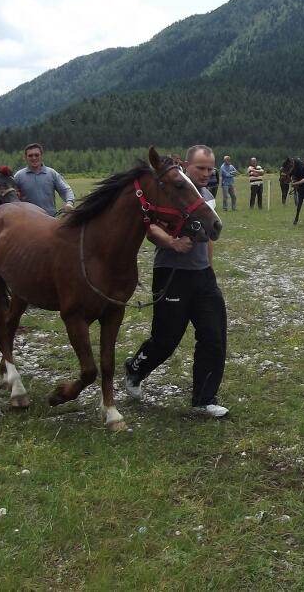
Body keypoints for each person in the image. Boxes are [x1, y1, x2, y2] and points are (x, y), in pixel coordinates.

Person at [124, 144, 229, 418]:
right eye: (201, 168)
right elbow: (150, 227)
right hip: (172, 272)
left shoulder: (206, 196)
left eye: (210, 168)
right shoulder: (168, 189)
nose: (206, 174)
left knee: (214, 335)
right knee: (166, 339)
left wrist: (209, 269)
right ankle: (135, 368)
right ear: (187, 166)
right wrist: (171, 242)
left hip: (202, 275)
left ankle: (204, 399)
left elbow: (209, 238)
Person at [13, 143, 74, 216]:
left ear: (42, 156)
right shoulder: (18, 176)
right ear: (25, 157)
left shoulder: (52, 173)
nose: (34, 158)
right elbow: (12, 197)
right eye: (30, 155)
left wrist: (69, 203)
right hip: (27, 221)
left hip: (50, 220)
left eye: (36, 155)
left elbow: (66, 190)